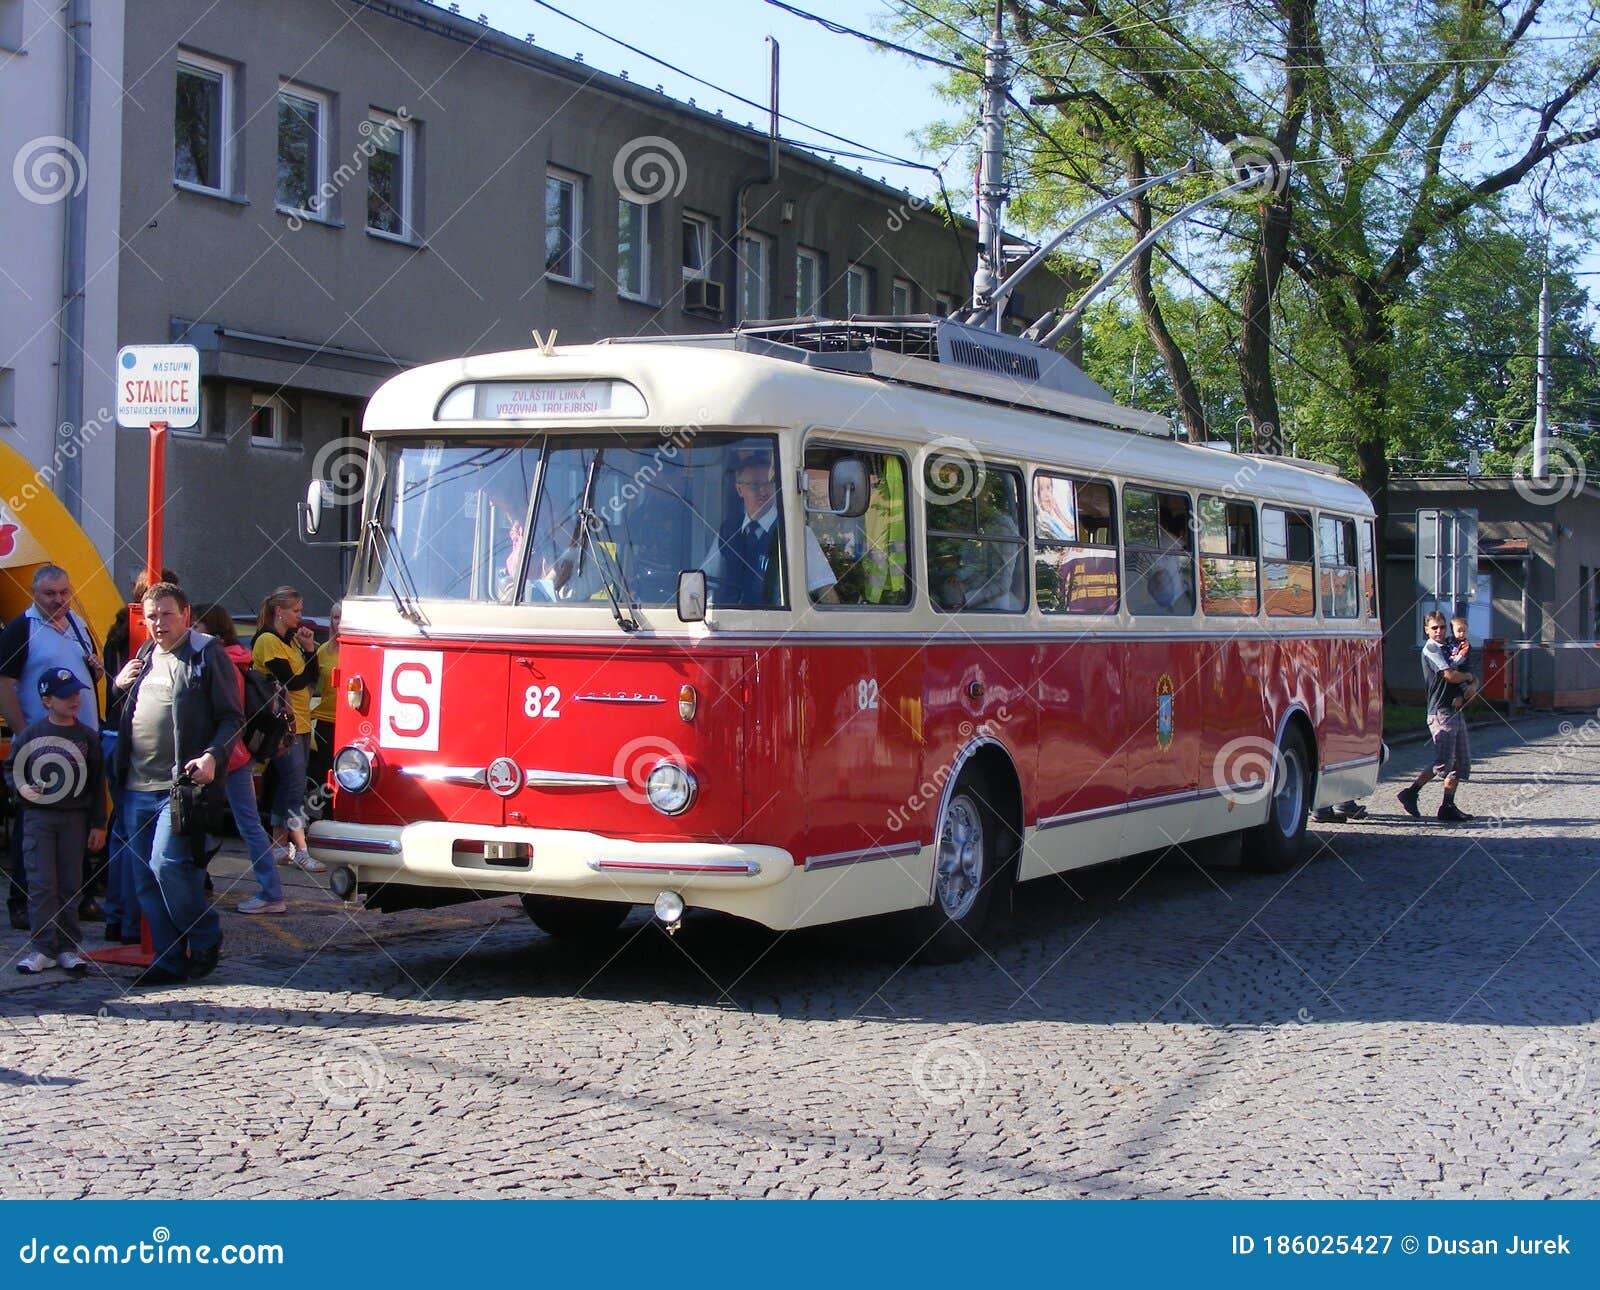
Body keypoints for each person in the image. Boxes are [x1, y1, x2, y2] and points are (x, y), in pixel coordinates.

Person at [111, 582, 242, 985]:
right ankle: (170, 962)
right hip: (135, 784)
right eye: (151, 615)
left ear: (184, 614)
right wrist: (118, 686)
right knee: (144, 879)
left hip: (179, 787)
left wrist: (212, 757)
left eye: (166, 614)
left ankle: (205, 935)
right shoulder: (146, 655)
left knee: (167, 865)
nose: (158, 623)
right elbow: (132, 713)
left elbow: (232, 717)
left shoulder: (206, 656)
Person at [0, 565, 105, 931]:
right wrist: (27, 734)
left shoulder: (77, 622)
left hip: (82, 740)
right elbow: (4, 684)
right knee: (33, 823)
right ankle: (22, 900)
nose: (59, 600)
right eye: (50, 594)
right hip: (41, 747)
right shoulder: (21, 628)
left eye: (64, 592)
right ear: (33, 593)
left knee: (79, 817)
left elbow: (90, 675)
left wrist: (97, 669)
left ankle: (81, 897)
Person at [99, 566, 179, 941]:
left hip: (117, 735)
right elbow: (125, 693)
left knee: (124, 835)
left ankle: (121, 917)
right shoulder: (140, 639)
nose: (162, 621)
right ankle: (136, 923)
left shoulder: (119, 632)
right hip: (132, 743)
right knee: (137, 841)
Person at [10, 669, 107, 974]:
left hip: (75, 819)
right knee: (41, 883)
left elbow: (96, 784)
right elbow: (12, 768)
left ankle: (67, 946)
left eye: (77, 693)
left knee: (70, 883)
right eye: (66, 695)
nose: (74, 699)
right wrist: (22, 787)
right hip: (38, 818)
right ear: (47, 700)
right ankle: (43, 946)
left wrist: (99, 824)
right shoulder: (32, 734)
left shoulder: (88, 737)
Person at [196, 606, 286, 915]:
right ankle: (269, 891)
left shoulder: (221, 662)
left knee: (237, 822)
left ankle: (271, 893)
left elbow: (226, 712)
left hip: (226, 754)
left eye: (195, 624)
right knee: (226, 821)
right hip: (234, 753)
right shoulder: (234, 658)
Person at [250, 587, 325, 874]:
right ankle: (300, 849)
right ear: (279, 611)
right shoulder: (268, 641)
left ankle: (280, 846)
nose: (300, 616)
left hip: (301, 723)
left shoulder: (290, 642)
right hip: (284, 725)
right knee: (294, 787)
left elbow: (312, 677)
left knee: (289, 786)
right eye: (296, 611)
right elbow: (295, 682)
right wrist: (305, 660)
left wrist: (308, 649)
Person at [703, 452, 837, 606]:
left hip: (776, 626)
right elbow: (705, 580)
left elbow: (825, 591)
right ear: (739, 490)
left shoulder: (796, 533)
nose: (763, 491)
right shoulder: (728, 532)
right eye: (754, 485)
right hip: (730, 624)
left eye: (768, 483)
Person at [1397, 611, 1475, 823]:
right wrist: (1468, 677)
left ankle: (1447, 806)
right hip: (1440, 711)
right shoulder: (1431, 649)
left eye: (1442, 627)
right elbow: (1450, 675)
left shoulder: (1450, 647)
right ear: (1426, 630)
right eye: (1434, 628)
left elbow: (1466, 669)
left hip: (1455, 710)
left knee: (1462, 762)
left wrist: (1471, 684)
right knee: (1445, 762)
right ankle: (1410, 793)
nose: (1439, 631)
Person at [305, 602, 341, 823]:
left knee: (348, 772)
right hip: (326, 720)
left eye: (342, 617)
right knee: (325, 774)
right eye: (335, 617)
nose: (339, 622)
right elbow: (309, 685)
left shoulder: (362, 649)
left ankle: (344, 816)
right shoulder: (323, 650)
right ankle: (328, 816)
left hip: (353, 723)